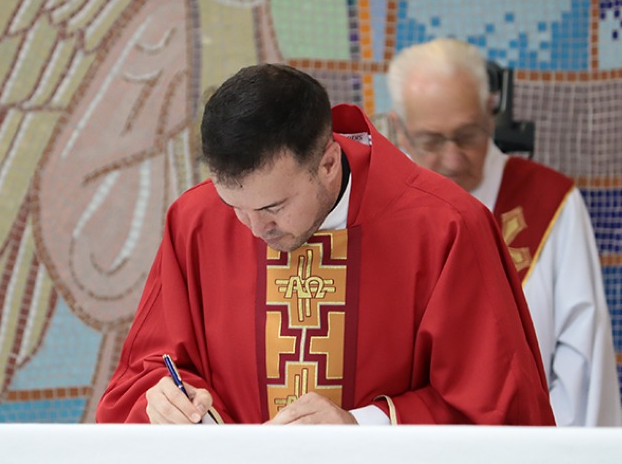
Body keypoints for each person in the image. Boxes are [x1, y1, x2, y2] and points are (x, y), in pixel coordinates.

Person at [96, 63, 555, 425]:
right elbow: (144, 375)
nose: (255, 230)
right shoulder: (195, 220)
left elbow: (501, 411)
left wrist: (363, 426)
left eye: (273, 207)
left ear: (329, 163)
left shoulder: (448, 227)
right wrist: (163, 401)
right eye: (235, 205)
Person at [387, 38, 622, 426]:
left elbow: (583, 355)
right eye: (431, 141)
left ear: (490, 115)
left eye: (468, 135)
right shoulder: (381, 209)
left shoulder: (549, 203)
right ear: (399, 130)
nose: (452, 158)